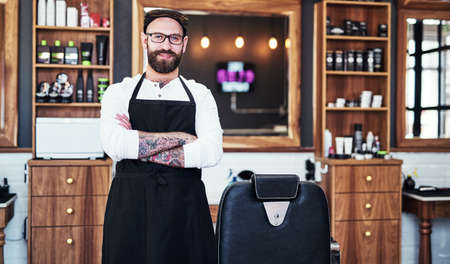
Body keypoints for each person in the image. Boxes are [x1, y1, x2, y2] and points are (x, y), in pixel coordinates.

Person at [100, 9, 223, 264]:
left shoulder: (201, 95)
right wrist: (181, 137)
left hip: (186, 209)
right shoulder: (119, 92)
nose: (166, 45)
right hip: (129, 208)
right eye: (158, 37)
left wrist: (139, 145)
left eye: (174, 38)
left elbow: (211, 152)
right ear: (145, 40)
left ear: (184, 44)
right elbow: (116, 145)